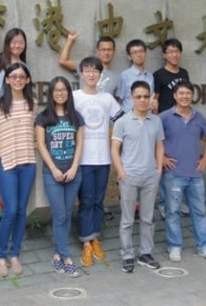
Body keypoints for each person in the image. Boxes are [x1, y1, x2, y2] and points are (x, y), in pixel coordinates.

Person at [0, 62, 37, 276]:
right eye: (13, 76)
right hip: (6, 162)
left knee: (22, 211)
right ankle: (0, 255)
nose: (18, 80)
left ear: (26, 80)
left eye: (22, 77)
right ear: (7, 79)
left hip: (28, 162)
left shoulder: (31, 104)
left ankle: (14, 253)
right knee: (10, 210)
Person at [72, 57, 123, 267]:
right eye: (87, 70)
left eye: (95, 71)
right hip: (82, 158)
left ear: (100, 75)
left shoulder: (107, 99)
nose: (91, 74)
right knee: (85, 200)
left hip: (103, 158)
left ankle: (95, 238)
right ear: (81, 74)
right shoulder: (74, 97)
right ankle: (86, 242)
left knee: (98, 200)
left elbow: (121, 122)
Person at [159, 81, 206, 262]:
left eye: (188, 93)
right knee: (173, 212)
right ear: (175, 96)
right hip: (173, 174)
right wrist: (162, 158)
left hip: (195, 174)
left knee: (199, 211)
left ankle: (204, 246)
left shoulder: (198, 117)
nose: (184, 96)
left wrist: (205, 159)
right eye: (181, 93)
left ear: (192, 96)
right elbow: (156, 140)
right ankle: (175, 246)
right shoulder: (164, 117)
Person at [112, 81, 164, 273]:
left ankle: (145, 253)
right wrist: (121, 171)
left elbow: (160, 145)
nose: (142, 100)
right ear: (132, 98)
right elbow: (115, 149)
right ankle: (127, 255)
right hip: (129, 176)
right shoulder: (122, 122)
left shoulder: (156, 121)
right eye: (138, 96)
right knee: (127, 220)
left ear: (150, 98)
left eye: (145, 96)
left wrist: (159, 168)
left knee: (148, 218)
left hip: (150, 175)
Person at [36, 76, 85, 277]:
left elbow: (80, 143)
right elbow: (41, 145)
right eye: (56, 90)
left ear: (68, 93)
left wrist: (74, 168)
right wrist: (54, 169)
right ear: (51, 93)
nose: (60, 93)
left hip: (73, 172)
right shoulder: (43, 117)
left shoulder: (76, 117)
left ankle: (57, 254)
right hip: (52, 174)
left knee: (65, 215)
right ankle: (67, 257)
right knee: (60, 215)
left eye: (63, 90)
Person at [0, 28, 28, 220]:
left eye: (20, 42)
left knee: (8, 159)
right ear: (8, 43)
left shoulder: (25, 66)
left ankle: (10, 201)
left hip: (13, 117)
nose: (17, 45)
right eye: (13, 42)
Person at [152, 38, 191, 220]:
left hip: (182, 123)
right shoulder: (159, 75)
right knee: (164, 162)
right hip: (165, 123)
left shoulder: (184, 72)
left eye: (177, 51)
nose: (174, 55)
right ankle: (163, 203)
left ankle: (176, 198)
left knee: (179, 160)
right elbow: (155, 100)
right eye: (170, 52)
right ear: (164, 55)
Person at [59, 30, 121, 97]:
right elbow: (63, 61)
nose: (106, 53)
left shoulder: (118, 76)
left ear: (114, 51)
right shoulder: (85, 67)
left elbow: (117, 102)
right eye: (103, 49)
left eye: (109, 50)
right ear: (97, 51)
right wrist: (70, 40)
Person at [117, 39, 154, 113]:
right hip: (129, 119)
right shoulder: (124, 75)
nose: (139, 55)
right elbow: (119, 100)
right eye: (135, 52)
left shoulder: (151, 76)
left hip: (147, 119)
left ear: (145, 53)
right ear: (129, 57)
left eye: (141, 51)